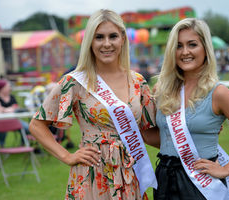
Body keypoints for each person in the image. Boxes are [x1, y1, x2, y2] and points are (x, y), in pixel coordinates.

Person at [29, 9, 158, 200]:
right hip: (91, 175)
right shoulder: (74, 82)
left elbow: (149, 132)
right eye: (99, 37)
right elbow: (37, 125)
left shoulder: (138, 82)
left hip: (130, 175)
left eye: (113, 36)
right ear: (90, 41)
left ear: (122, 39)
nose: (107, 43)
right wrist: (67, 156)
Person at [153, 18, 229, 200]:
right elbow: (165, 137)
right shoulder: (162, 91)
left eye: (192, 45)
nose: (185, 52)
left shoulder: (218, 93)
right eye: (178, 46)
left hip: (200, 183)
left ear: (206, 49)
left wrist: (226, 169)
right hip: (164, 179)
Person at [0, 79, 30, 147]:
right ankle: (1, 147)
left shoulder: (12, 97)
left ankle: (23, 144)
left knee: (28, 128)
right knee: (1, 128)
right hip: (1, 121)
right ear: (2, 88)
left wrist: (4, 110)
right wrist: (9, 109)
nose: (10, 88)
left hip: (13, 120)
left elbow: (16, 107)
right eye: (8, 87)